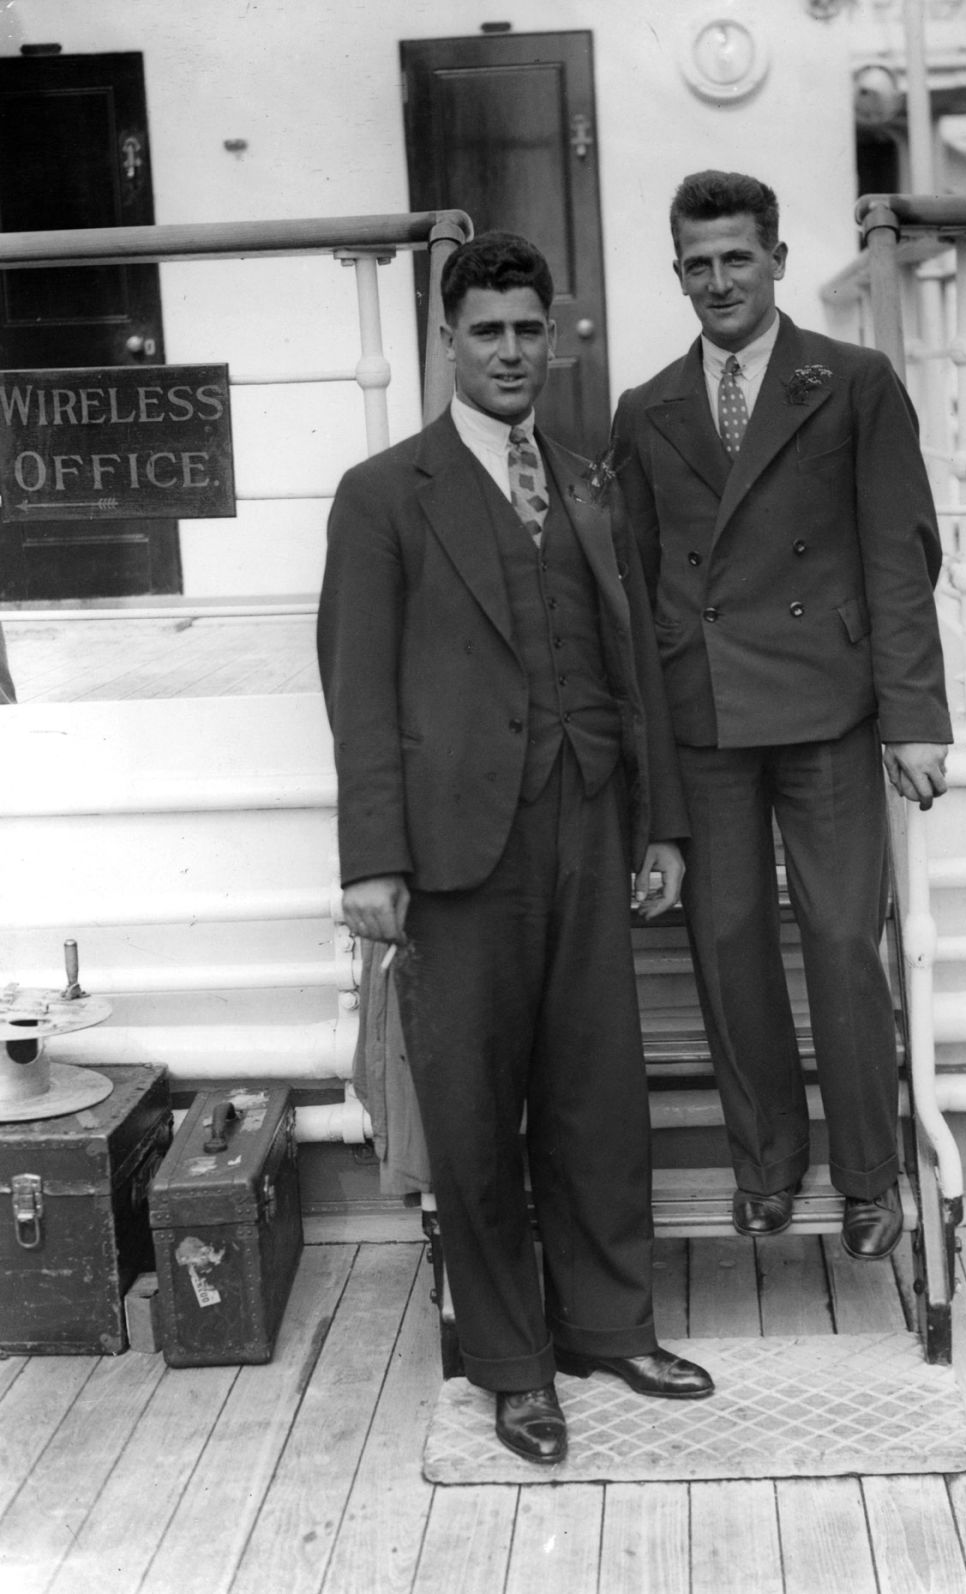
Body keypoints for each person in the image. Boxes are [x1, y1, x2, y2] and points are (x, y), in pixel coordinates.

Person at [317, 231, 713, 1467]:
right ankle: (512, 1360)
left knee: (599, 1089)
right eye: (485, 330)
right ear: (448, 341)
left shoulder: (587, 480)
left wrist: (659, 823)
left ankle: (608, 1324)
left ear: (557, 335)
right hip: (452, 847)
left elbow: (632, 663)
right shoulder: (385, 492)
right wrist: (372, 857)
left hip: (589, 819)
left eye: (528, 330)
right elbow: (356, 685)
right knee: (478, 1108)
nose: (508, 351)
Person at [611, 171, 951, 1260]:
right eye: (698, 264)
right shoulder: (647, 407)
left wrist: (914, 717)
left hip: (829, 708)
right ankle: (765, 1164)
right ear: (678, 274)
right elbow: (636, 578)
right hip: (702, 708)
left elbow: (902, 555)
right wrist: (646, 742)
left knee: (847, 941)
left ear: (777, 261)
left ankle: (866, 1175)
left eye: (737, 258)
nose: (719, 281)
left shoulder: (851, 383)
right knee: (727, 941)